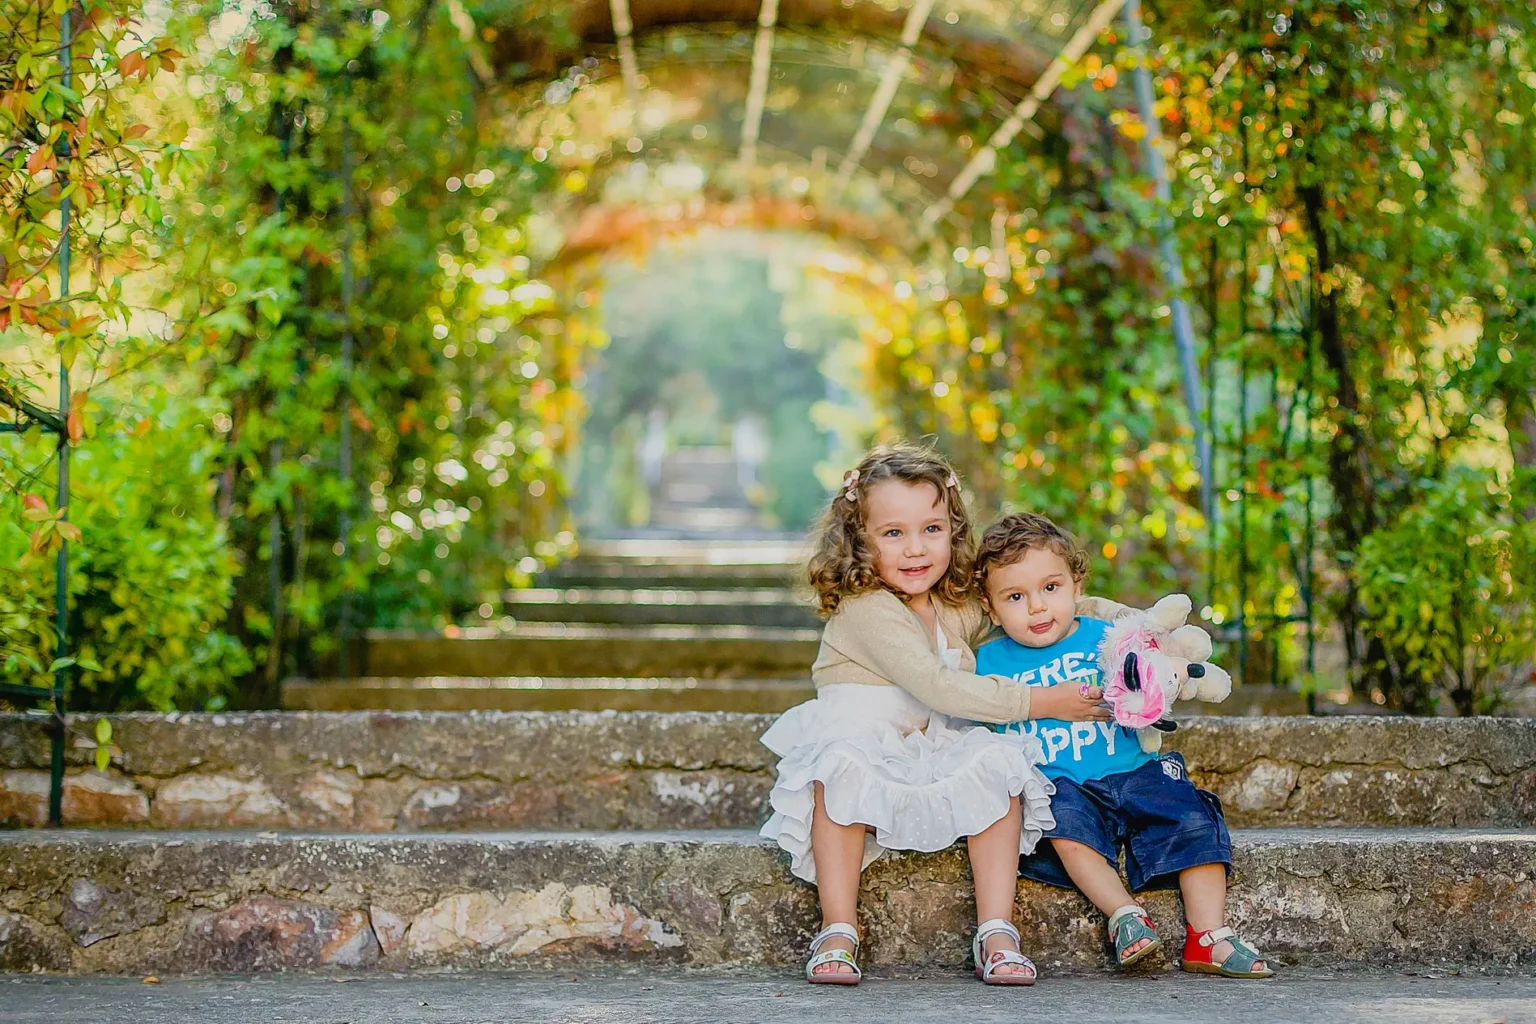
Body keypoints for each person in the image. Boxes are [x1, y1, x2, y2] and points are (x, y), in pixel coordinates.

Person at [758, 442, 1126, 987]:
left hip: (934, 739)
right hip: (862, 737)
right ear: (859, 539)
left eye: (931, 529)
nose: (916, 549)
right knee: (837, 771)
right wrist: (1046, 701)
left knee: (1000, 765)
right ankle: (838, 927)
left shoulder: (952, 602)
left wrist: (1130, 622)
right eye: (893, 533)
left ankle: (996, 930)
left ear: (952, 531)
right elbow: (937, 685)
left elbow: (1032, 601)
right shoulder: (866, 608)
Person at [974, 512, 1274, 979]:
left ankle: (1208, 935)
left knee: (1192, 815)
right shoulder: (987, 661)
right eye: (1015, 596)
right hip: (1063, 783)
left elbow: (1153, 681)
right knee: (1063, 829)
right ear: (991, 608)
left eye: (1050, 588)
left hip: (1135, 768)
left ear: (1076, 585)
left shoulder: (1107, 638)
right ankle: (1124, 914)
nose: (1037, 607)